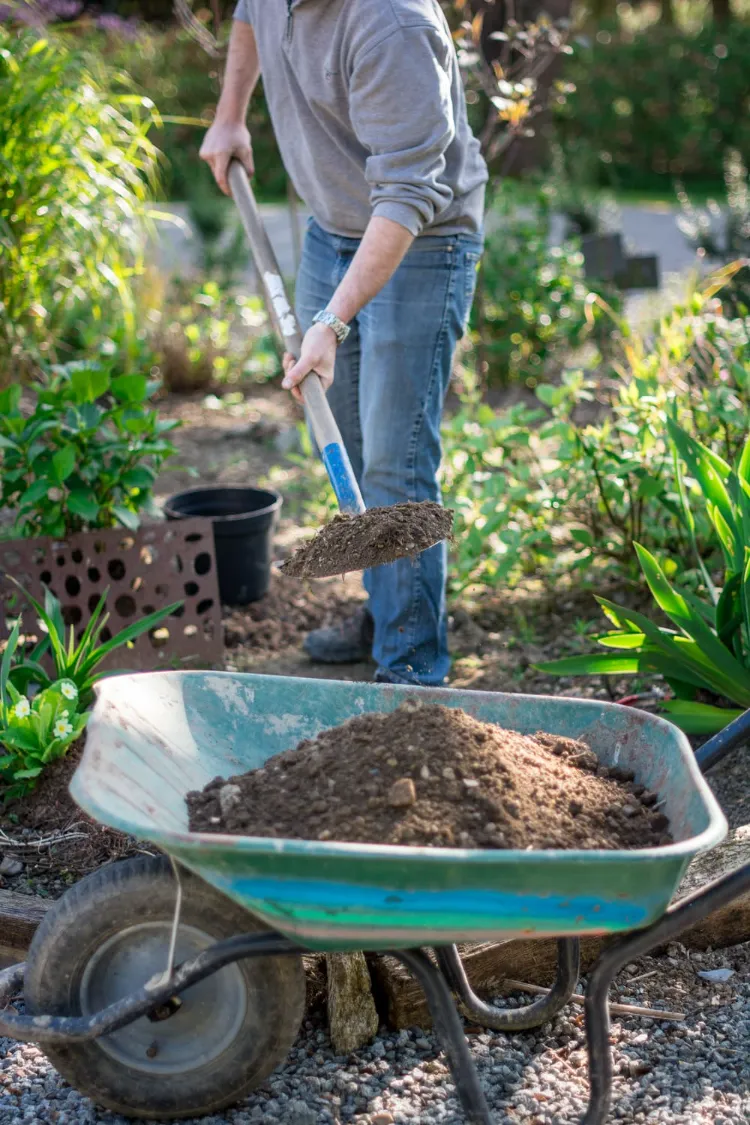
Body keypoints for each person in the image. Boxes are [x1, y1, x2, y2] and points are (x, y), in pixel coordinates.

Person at [201, 0, 487, 686]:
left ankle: (412, 670)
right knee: (350, 448)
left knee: (396, 464)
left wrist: (331, 323)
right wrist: (230, 111)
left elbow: (409, 194)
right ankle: (388, 613)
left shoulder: (393, 24)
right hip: (331, 232)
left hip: (420, 239)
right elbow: (248, 13)